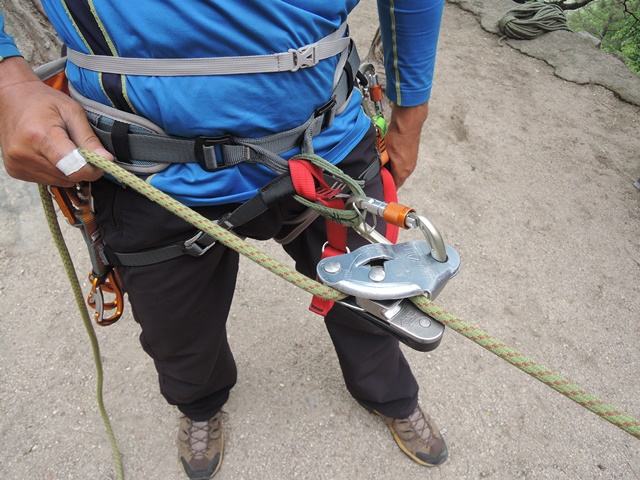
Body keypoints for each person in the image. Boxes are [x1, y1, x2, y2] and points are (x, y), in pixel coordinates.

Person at [0, 1, 446, 478]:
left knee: (373, 300)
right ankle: (199, 405)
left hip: (329, 148)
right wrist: (10, 83)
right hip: (149, 174)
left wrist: (411, 112)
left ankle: (390, 394)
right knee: (177, 329)